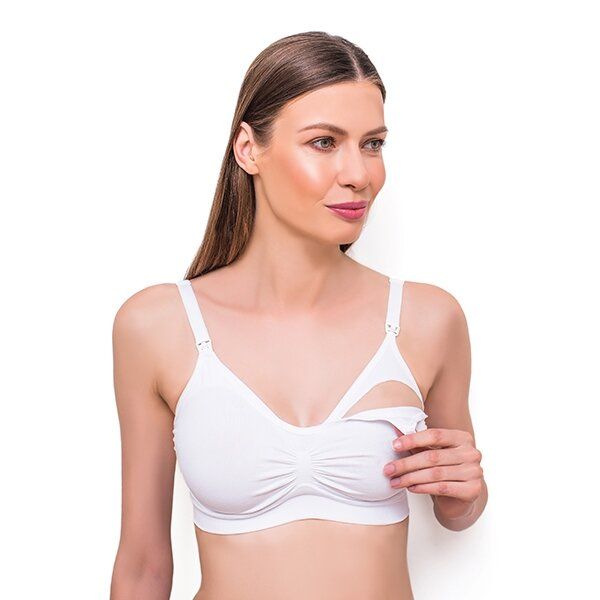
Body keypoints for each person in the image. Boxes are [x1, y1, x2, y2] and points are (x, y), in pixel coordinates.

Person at [110, 31, 487, 600]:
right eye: (324, 142)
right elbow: (142, 566)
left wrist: (464, 494)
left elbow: (457, 510)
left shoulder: (428, 320)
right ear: (248, 149)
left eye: (373, 144)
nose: (359, 173)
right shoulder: (158, 326)